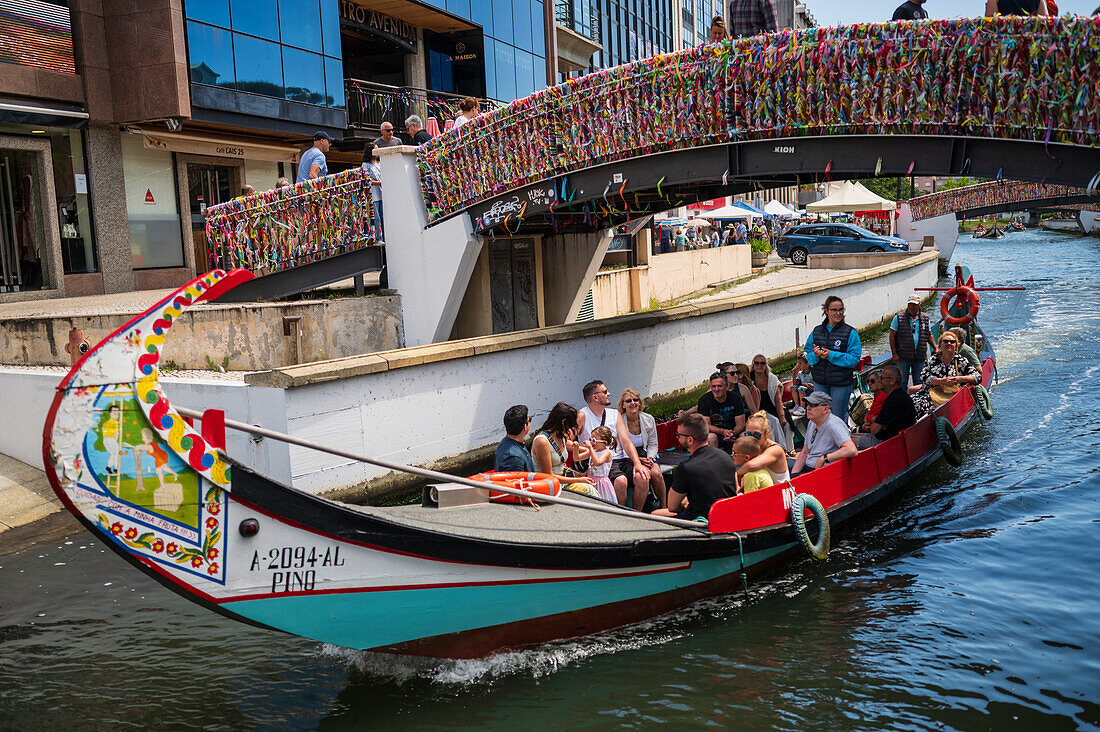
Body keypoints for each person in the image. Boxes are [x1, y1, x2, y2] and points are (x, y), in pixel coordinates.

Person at [653, 414, 735, 521]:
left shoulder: (686, 468)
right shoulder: (726, 457)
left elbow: (673, 507)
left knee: (654, 514)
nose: (677, 437)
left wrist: (685, 503)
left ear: (690, 440)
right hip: (727, 515)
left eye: (679, 434)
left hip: (702, 521)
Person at [577, 380, 650, 495]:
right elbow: (568, 442)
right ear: (595, 398)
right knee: (621, 481)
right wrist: (588, 450)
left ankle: (636, 512)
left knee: (643, 476)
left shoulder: (615, 414)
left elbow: (626, 442)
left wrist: (637, 463)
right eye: (605, 392)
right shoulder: (582, 415)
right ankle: (619, 512)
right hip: (601, 461)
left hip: (621, 459)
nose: (609, 394)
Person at [804, 295, 862, 424]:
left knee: (837, 417)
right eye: (834, 310)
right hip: (820, 382)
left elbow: (854, 359)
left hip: (840, 383)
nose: (838, 313)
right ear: (826, 311)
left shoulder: (850, 333)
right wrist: (816, 355)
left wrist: (830, 355)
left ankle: (840, 443)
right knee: (819, 417)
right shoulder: (817, 331)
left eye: (841, 310)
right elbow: (808, 355)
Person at [611, 389, 666, 510]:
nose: (633, 403)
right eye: (628, 401)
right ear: (623, 405)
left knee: (656, 474)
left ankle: (664, 506)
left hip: (646, 453)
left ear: (640, 403)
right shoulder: (618, 421)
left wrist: (650, 458)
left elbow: (653, 444)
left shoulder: (648, 419)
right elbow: (620, 447)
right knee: (644, 476)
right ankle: (637, 511)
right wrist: (638, 460)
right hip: (627, 456)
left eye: (635, 400)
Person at [531, 402, 597, 493]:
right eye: (571, 425)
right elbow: (548, 475)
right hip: (548, 485)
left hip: (562, 481)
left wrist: (582, 474)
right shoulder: (542, 441)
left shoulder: (561, 437)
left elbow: (563, 466)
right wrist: (579, 480)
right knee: (587, 489)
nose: (572, 429)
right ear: (563, 422)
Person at [912, 331, 981, 416]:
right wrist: (941, 381)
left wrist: (959, 379)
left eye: (952, 342)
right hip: (930, 394)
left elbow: (977, 377)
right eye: (945, 341)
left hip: (951, 397)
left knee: (924, 407)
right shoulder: (933, 360)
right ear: (940, 344)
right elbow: (923, 377)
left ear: (956, 345)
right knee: (912, 402)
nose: (949, 343)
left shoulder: (961, 361)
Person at [791, 392, 857, 475]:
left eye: (813, 405)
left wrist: (824, 458)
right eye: (807, 404)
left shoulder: (833, 425)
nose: (807, 408)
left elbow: (851, 450)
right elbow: (804, 452)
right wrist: (793, 476)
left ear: (825, 409)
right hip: (809, 466)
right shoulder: (812, 422)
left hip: (823, 472)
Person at [681, 372, 747, 453]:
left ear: (726, 386)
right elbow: (706, 425)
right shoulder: (704, 400)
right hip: (716, 433)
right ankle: (714, 462)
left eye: (719, 386)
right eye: (713, 386)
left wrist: (732, 433)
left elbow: (740, 424)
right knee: (711, 437)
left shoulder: (735, 398)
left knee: (744, 436)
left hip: (733, 432)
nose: (716, 389)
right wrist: (722, 431)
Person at [858, 364, 917, 448]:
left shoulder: (892, 401)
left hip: (890, 444)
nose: (880, 380)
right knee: (852, 437)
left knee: (850, 441)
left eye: (881, 378)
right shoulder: (902, 395)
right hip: (899, 438)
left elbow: (874, 429)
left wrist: (870, 419)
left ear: (892, 381)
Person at [735, 411, 792, 487]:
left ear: (767, 433)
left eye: (757, 435)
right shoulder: (751, 448)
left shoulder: (775, 449)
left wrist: (735, 474)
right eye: (748, 434)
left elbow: (751, 466)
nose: (752, 438)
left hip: (780, 493)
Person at [890, 293, 933, 388]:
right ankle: (903, 401)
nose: (912, 307)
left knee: (919, 382)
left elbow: (929, 335)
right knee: (902, 381)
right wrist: (894, 354)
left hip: (919, 356)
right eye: (910, 304)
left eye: (914, 304)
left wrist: (936, 348)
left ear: (919, 305)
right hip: (903, 357)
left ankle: (917, 401)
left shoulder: (925, 318)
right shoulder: (898, 317)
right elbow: (892, 336)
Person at [749, 354, 791, 449]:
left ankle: (788, 449)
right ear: (753, 365)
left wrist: (782, 416)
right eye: (757, 363)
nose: (759, 365)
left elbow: (778, 400)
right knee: (772, 422)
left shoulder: (772, 379)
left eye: (762, 363)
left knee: (786, 424)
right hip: (758, 411)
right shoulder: (750, 380)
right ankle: (779, 448)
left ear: (766, 365)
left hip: (772, 408)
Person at [494, 405, 534, 471]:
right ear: (525, 427)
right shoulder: (514, 458)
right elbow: (517, 480)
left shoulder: (505, 443)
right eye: (529, 420)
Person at [585, 426, 619, 503]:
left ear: (604, 442)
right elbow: (577, 458)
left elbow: (597, 463)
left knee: (602, 502)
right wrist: (576, 447)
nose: (591, 443)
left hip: (601, 483)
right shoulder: (593, 451)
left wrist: (590, 448)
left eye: (594, 440)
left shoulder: (606, 453)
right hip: (591, 480)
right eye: (590, 439)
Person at [361, 143, 384, 240]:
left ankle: (385, 236)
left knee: (383, 217)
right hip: (373, 194)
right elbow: (365, 179)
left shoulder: (380, 163)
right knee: (376, 217)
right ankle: (377, 237)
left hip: (382, 193)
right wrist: (378, 183)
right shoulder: (365, 165)